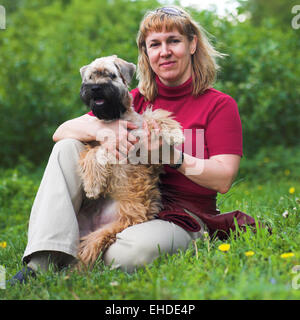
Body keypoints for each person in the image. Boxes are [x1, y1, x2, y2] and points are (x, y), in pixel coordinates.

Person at [10, 6, 258, 284]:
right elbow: (61, 131)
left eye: (173, 41)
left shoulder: (219, 105)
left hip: (182, 215)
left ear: (192, 44)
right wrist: (102, 130)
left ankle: (73, 252)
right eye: (155, 44)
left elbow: (223, 178)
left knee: (129, 255)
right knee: (67, 146)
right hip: (116, 203)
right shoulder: (130, 99)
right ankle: (41, 263)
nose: (164, 51)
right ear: (146, 53)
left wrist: (171, 156)